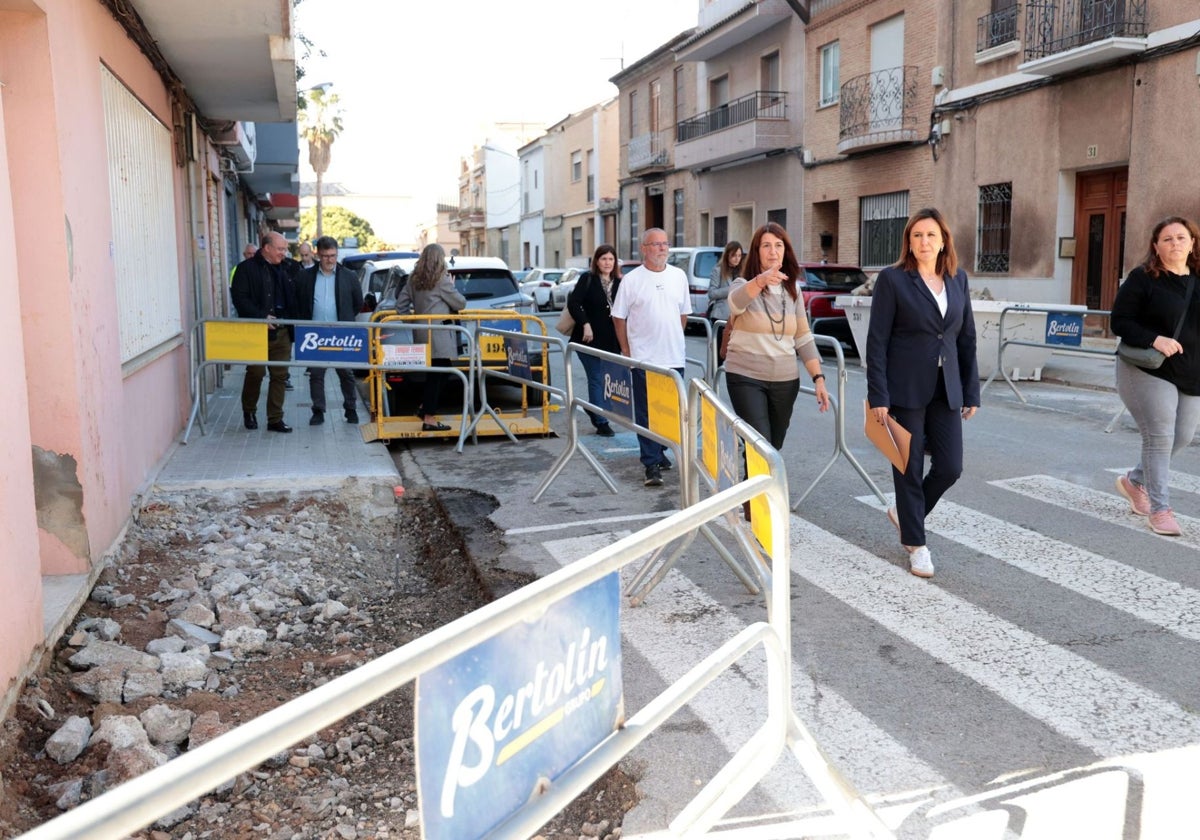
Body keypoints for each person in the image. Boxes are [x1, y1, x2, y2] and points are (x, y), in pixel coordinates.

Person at [866, 208, 979, 579]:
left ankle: (904, 514)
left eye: (931, 235)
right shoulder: (893, 280)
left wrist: (971, 391)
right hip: (904, 388)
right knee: (909, 468)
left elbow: (966, 339)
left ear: (944, 240)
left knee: (950, 466)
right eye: (917, 236)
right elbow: (877, 340)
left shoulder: (957, 279)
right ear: (909, 242)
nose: (924, 242)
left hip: (946, 389)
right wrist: (878, 394)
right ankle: (916, 544)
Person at [1110, 216, 1200, 536]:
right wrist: (1154, 338)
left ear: (1192, 243)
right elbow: (1119, 322)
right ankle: (1160, 510)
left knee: (1183, 436)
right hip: (1148, 368)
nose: (1175, 243)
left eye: (1181, 237)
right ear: (1156, 246)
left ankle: (1135, 481)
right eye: (1167, 239)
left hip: (1190, 371)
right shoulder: (1143, 278)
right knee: (1160, 436)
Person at [724, 223, 830, 457]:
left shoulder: (792, 290)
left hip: (785, 381)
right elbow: (735, 303)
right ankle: (758, 493)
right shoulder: (743, 285)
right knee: (760, 448)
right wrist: (760, 280)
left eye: (778, 245)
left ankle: (752, 491)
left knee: (772, 447)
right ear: (757, 251)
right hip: (746, 377)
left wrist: (818, 378)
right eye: (766, 246)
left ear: (785, 251)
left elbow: (803, 336)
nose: (773, 251)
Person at [612, 228, 691, 487]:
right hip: (644, 358)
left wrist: (673, 337)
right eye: (655, 244)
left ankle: (660, 452)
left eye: (665, 244)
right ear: (643, 248)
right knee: (646, 413)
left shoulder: (678, 276)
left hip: (673, 357)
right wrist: (626, 349)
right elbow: (619, 316)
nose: (661, 248)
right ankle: (651, 465)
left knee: (669, 413)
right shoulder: (632, 280)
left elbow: (683, 313)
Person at [230, 231, 298, 433]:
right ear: (266, 248)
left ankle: (275, 419)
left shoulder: (289, 268)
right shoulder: (246, 269)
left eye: (285, 249)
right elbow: (240, 299)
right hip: (256, 332)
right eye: (280, 249)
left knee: (280, 375)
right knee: (256, 372)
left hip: (283, 331)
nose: (283, 253)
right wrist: (261, 316)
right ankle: (249, 411)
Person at [395, 243, 466, 431]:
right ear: (439, 259)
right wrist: (452, 286)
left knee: (436, 374)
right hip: (440, 335)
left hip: (422, 334)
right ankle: (428, 417)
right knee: (439, 375)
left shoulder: (413, 279)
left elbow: (401, 307)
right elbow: (461, 303)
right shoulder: (441, 280)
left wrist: (416, 324)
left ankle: (425, 409)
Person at [296, 235, 365, 426]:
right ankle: (318, 411)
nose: (330, 260)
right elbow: (300, 302)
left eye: (333, 255)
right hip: (315, 334)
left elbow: (357, 303)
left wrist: (344, 319)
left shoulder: (349, 276)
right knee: (316, 375)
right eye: (326, 256)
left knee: (346, 374)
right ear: (318, 255)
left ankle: (350, 409)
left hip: (341, 333)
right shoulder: (305, 276)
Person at [566, 244, 624, 437]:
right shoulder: (588, 279)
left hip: (611, 341)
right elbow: (574, 303)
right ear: (596, 261)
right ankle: (601, 421)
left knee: (609, 381)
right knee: (597, 377)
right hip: (588, 339)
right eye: (603, 259)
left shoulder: (620, 282)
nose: (607, 263)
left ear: (615, 262)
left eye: (611, 259)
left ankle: (594, 408)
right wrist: (585, 323)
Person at [707, 240, 742, 361]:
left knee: (736, 357)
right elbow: (711, 293)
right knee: (718, 357)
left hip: (738, 318)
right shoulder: (718, 270)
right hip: (721, 317)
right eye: (734, 255)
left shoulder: (742, 272)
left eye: (739, 255)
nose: (737, 259)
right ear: (727, 255)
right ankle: (709, 379)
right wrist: (731, 289)